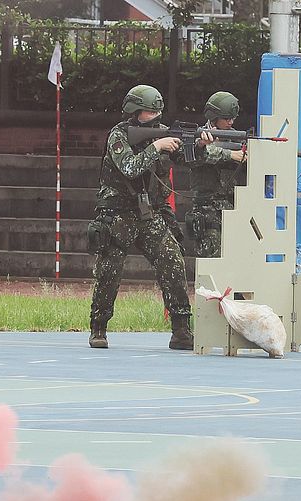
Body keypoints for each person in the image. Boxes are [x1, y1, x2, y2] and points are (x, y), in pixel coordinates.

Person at [87, 84, 217, 351]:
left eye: (158, 111)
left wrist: (200, 144)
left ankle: (181, 330)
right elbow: (130, 168)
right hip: (117, 215)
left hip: (149, 214)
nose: (155, 116)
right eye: (149, 112)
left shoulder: (161, 134)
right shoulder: (119, 136)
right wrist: (156, 147)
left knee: (173, 261)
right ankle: (98, 327)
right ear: (134, 111)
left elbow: (187, 160)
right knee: (109, 273)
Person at [185, 91, 248, 258]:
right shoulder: (198, 136)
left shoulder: (235, 138)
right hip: (207, 210)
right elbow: (199, 155)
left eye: (232, 118)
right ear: (214, 116)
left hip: (232, 206)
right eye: (226, 118)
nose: (231, 122)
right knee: (210, 261)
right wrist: (230, 155)